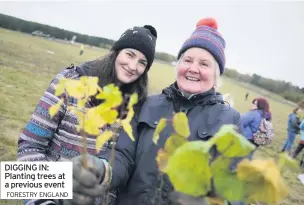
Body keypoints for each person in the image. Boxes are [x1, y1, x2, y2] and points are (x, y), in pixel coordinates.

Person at [66, 17, 245, 205]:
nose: (193, 68)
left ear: (216, 75)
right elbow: (122, 155)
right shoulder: (148, 104)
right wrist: (103, 170)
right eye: (187, 60)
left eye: (204, 64)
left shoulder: (229, 120)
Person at [17, 24, 158, 205]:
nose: (133, 66)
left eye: (142, 62)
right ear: (116, 52)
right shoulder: (70, 83)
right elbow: (30, 145)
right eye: (130, 54)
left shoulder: (135, 107)